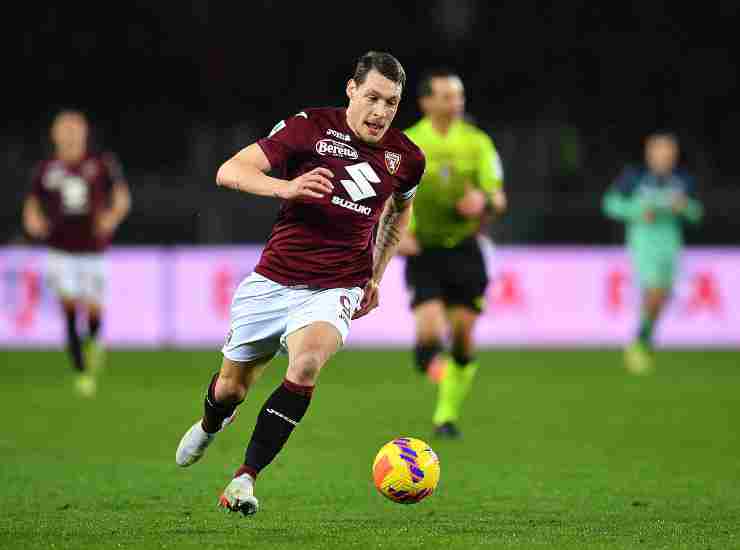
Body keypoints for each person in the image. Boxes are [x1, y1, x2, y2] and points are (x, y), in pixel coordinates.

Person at [175, 51, 425, 517]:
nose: (380, 112)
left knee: (307, 363)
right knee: (231, 388)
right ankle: (212, 423)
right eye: (372, 97)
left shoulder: (406, 158)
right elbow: (230, 170)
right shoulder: (308, 127)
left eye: (391, 103)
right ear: (351, 89)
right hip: (273, 279)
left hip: (337, 285)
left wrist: (375, 274)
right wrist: (283, 188)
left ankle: (244, 480)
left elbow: (401, 210)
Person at [399, 69, 506, 439]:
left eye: (458, 96)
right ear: (426, 102)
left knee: (462, 338)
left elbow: (498, 197)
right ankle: (427, 357)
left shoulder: (478, 143)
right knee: (429, 330)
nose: (455, 103)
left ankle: (445, 416)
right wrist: (399, 236)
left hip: (465, 250)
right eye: (446, 96)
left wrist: (484, 201)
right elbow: (386, 199)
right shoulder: (408, 142)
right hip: (424, 250)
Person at [22, 110, 131, 396]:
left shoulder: (101, 164)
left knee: (94, 310)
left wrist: (111, 217)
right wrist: (33, 221)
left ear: (84, 133)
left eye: (75, 129)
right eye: (64, 129)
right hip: (59, 250)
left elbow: (121, 197)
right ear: (55, 134)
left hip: (93, 251)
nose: (69, 134)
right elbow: (32, 205)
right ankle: (82, 371)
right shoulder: (46, 169)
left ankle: (93, 341)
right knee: (69, 306)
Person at [603, 132, 703, 373]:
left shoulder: (683, 180)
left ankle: (643, 340)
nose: (663, 156)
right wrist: (637, 211)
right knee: (654, 290)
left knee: (663, 294)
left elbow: (697, 213)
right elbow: (610, 204)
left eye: (668, 152)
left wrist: (685, 207)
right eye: (658, 151)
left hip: (670, 243)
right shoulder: (634, 178)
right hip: (643, 242)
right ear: (649, 153)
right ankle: (640, 344)